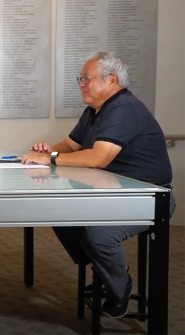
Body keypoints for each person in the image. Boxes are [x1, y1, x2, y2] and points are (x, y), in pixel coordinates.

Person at [22, 52, 175, 319]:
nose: (81, 84)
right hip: (112, 191)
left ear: (111, 80)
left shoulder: (124, 108)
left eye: (87, 78)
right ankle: (103, 268)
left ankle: (120, 284)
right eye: (80, 79)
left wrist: (50, 159)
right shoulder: (94, 110)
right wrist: (44, 152)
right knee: (56, 211)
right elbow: (70, 145)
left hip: (149, 196)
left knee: (98, 236)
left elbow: (98, 158)